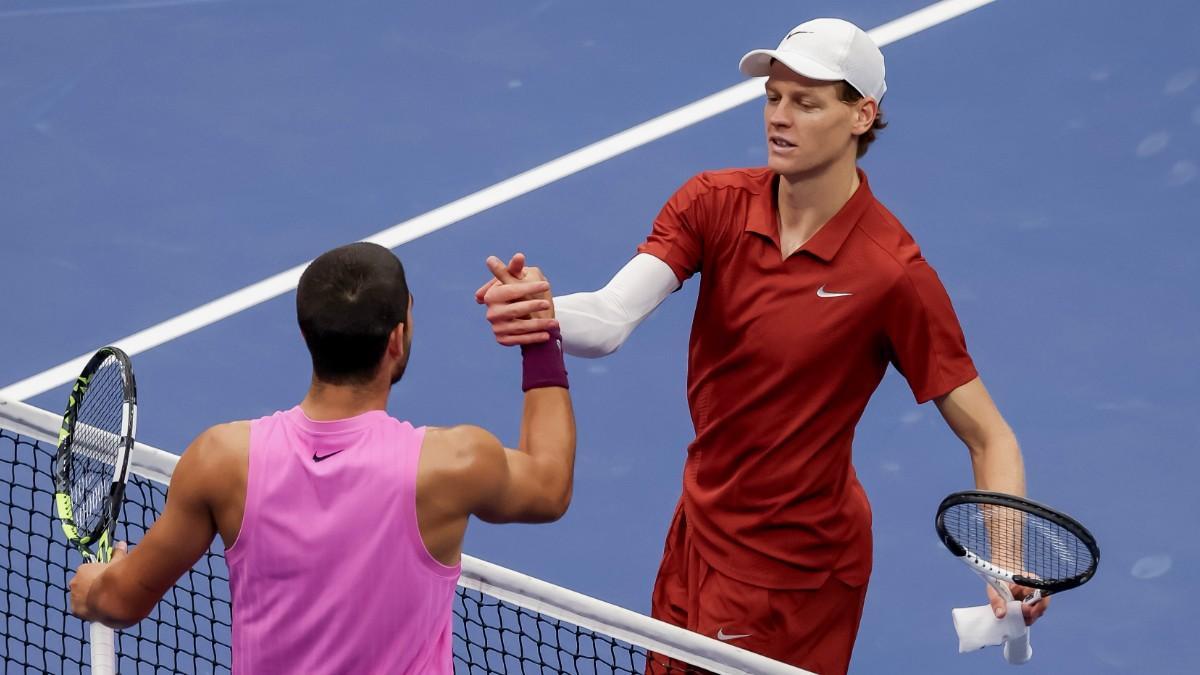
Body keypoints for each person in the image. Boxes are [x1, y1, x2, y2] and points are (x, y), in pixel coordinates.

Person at [476, 18, 1047, 675]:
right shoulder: (711, 204)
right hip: (699, 529)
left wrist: (1006, 562)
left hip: (792, 573)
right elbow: (608, 318)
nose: (780, 117)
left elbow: (990, 436)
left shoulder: (891, 272)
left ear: (862, 116)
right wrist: (544, 311)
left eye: (806, 103)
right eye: (773, 97)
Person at [68, 243, 575, 674]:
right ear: (397, 339)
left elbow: (118, 601)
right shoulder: (454, 463)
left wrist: (96, 587)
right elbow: (549, 486)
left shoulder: (221, 460)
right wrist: (538, 334)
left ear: (307, 334)